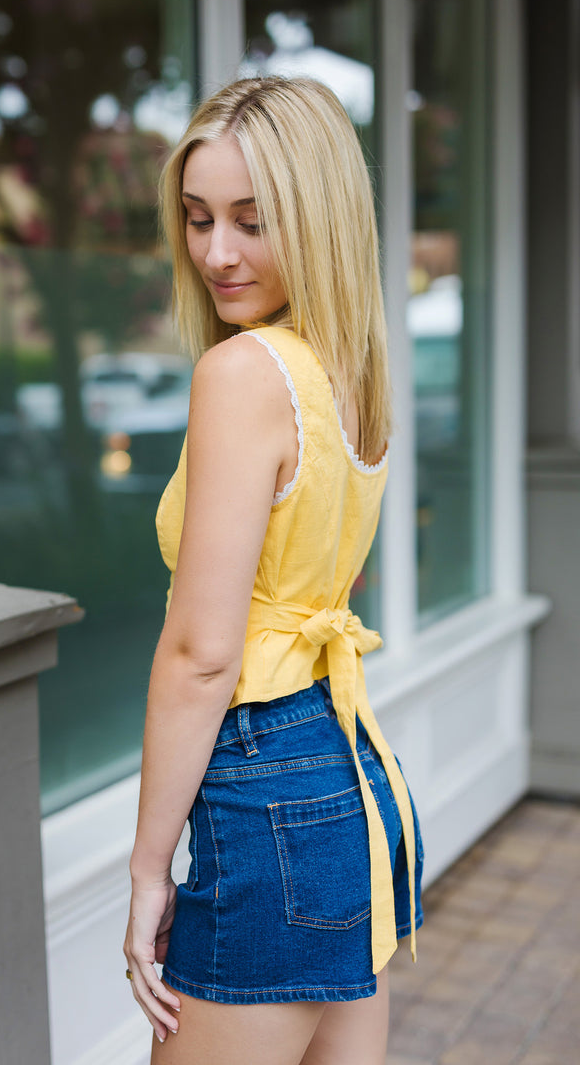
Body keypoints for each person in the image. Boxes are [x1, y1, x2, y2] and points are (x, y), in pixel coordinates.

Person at [123, 76, 423, 1065]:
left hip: (264, 783)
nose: (215, 252)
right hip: (343, 773)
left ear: (318, 216)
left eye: (253, 221)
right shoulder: (354, 371)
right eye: (200, 218)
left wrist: (145, 871)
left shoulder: (246, 374)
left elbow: (204, 654)